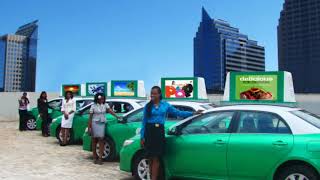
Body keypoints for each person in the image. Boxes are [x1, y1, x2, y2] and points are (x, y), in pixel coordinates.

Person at [140, 86, 203, 180]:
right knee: (150, 157)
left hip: (158, 132)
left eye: (154, 93)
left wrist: (192, 113)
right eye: (151, 93)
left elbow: (178, 113)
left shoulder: (165, 105)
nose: (152, 95)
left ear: (159, 94)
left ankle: (154, 178)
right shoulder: (148, 106)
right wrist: (142, 136)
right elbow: (144, 121)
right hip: (149, 132)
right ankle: (149, 177)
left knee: (156, 157)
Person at [88, 93, 119, 165]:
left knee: (101, 139)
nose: (102, 100)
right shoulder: (93, 105)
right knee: (94, 140)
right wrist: (89, 126)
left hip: (102, 123)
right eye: (100, 98)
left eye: (103, 98)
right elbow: (90, 117)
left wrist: (116, 116)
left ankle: (100, 158)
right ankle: (94, 157)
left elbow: (110, 111)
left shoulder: (105, 105)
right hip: (94, 123)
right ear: (97, 98)